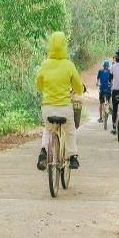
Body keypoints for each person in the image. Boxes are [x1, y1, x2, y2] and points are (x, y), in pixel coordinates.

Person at [35, 32, 83, 170]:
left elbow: (38, 85)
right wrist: (77, 90)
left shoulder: (45, 65)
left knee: (48, 129)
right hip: (64, 108)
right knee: (70, 129)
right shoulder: (69, 65)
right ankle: (73, 156)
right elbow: (78, 87)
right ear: (64, 46)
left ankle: (43, 152)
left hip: (47, 107)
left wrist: (44, 90)